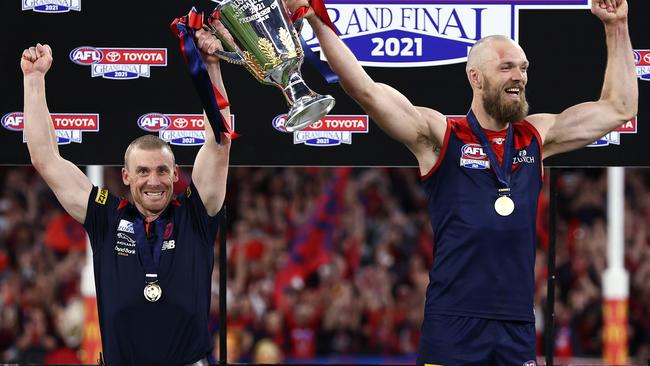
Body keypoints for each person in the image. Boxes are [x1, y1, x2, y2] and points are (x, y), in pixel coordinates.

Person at [284, 0, 637, 364]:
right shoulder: (442, 135)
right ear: (476, 77)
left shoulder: (537, 136)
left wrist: (617, 26)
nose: (519, 76)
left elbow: (619, 108)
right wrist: (316, 18)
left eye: (523, 67)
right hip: (453, 323)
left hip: (517, 325)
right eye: (506, 67)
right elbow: (367, 91)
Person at [20, 19, 232, 366]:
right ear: (126, 177)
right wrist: (34, 80)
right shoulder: (105, 215)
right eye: (143, 171)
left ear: (176, 174)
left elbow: (219, 142)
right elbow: (45, 158)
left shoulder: (195, 213)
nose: (154, 180)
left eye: (163, 170)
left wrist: (211, 67)